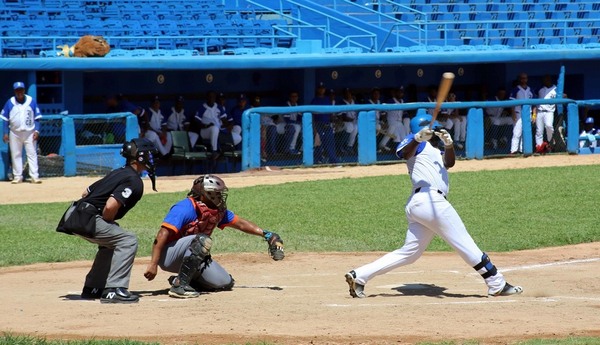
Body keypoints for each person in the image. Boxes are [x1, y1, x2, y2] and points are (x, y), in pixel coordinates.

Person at [345, 114, 523, 298]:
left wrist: (449, 145)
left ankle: (359, 276)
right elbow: (402, 153)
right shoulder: (417, 144)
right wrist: (416, 138)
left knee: (409, 253)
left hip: (421, 205)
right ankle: (496, 282)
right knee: (464, 242)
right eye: (436, 130)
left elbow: (449, 163)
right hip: (430, 202)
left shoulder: (435, 150)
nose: (438, 132)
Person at [143, 174, 285, 298]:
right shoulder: (185, 207)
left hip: (191, 254)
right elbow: (162, 234)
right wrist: (153, 264)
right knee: (201, 240)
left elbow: (241, 224)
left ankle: (181, 278)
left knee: (224, 283)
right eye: (217, 193)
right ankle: (179, 286)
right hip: (169, 255)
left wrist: (267, 234)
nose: (220, 196)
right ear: (206, 194)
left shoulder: (216, 211)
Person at [56, 138, 158, 303]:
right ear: (140, 157)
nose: (152, 158)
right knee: (127, 240)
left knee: (113, 241)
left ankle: (93, 288)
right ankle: (115, 289)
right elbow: (110, 207)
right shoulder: (134, 180)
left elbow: (85, 193)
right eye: (149, 155)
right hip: (87, 218)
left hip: (75, 214)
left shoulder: (118, 172)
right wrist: (108, 221)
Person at [1, 81, 43, 184]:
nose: (19, 92)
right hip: (15, 133)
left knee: (32, 154)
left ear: (24, 90)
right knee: (16, 154)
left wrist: (37, 130)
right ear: (15, 91)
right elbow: (5, 119)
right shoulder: (10, 102)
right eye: (17, 90)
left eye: (21, 90)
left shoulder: (31, 101)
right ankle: (17, 176)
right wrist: (5, 132)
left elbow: (37, 118)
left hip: (29, 132)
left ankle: (34, 176)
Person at [311, 82, 339, 164]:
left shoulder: (327, 99)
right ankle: (317, 161)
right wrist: (314, 129)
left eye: (323, 88)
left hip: (327, 124)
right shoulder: (314, 100)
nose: (321, 90)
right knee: (318, 144)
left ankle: (333, 161)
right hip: (318, 124)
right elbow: (312, 116)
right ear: (317, 89)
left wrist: (335, 122)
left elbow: (330, 114)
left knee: (330, 143)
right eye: (320, 88)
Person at [509, 73, 534, 154]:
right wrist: (513, 113)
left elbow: (534, 103)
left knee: (525, 132)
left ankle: (522, 150)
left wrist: (534, 114)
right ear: (519, 79)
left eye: (525, 78)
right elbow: (511, 102)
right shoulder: (516, 89)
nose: (524, 80)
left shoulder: (530, 89)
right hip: (518, 113)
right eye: (522, 78)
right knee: (517, 132)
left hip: (528, 113)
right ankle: (513, 150)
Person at [379, 86, 408, 152]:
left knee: (404, 137)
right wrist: (384, 122)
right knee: (397, 137)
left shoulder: (403, 101)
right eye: (399, 92)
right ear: (396, 93)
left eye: (402, 92)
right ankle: (397, 152)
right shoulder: (390, 101)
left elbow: (405, 114)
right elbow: (383, 113)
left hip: (400, 122)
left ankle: (402, 152)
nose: (401, 94)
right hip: (392, 121)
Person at [535, 75, 557, 154]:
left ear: (550, 79)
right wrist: (534, 114)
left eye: (547, 79)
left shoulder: (556, 89)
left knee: (549, 126)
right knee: (539, 131)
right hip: (540, 111)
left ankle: (550, 143)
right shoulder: (539, 89)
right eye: (544, 79)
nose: (545, 81)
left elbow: (563, 95)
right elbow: (534, 101)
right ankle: (539, 147)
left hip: (549, 111)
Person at [339, 87, 358, 154]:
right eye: (346, 93)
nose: (348, 95)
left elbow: (357, 112)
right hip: (345, 122)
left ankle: (349, 146)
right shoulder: (342, 102)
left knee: (356, 128)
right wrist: (349, 119)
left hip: (354, 121)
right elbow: (343, 116)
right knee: (350, 127)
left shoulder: (354, 102)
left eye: (349, 93)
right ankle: (341, 146)